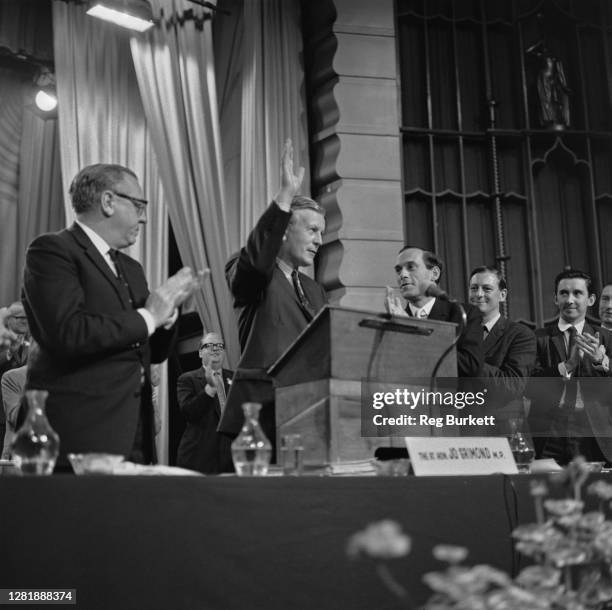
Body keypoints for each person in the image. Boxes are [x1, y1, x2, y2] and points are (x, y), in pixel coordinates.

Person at [22, 163, 203, 468]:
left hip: (136, 437)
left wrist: (167, 314)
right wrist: (149, 315)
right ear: (108, 202)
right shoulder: (52, 252)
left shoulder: (132, 269)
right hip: (80, 438)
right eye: (138, 205)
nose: (144, 217)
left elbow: (154, 352)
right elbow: (69, 332)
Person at [218, 140, 327, 443]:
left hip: (307, 415)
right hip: (260, 418)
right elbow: (256, 259)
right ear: (284, 232)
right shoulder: (249, 271)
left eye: (322, 233)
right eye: (312, 230)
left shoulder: (315, 290)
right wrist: (284, 198)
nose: (319, 240)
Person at [527, 269, 612, 465]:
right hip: (549, 430)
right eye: (564, 293)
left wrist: (601, 361)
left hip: (594, 431)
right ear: (555, 299)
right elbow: (528, 385)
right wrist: (566, 366)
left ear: (590, 299)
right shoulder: (538, 338)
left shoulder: (607, 339)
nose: (570, 299)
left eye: (577, 293)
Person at [385, 246, 483, 377]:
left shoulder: (464, 314)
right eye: (398, 270)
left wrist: (411, 330)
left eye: (411, 267)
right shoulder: (394, 320)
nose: (402, 275)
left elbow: (471, 367)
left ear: (434, 274)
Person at [468, 266, 536, 430]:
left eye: (487, 289)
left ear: (502, 295)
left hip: (501, 429)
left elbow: (512, 386)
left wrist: (467, 361)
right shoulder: (457, 331)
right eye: (474, 288)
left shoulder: (521, 334)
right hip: (459, 426)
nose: (479, 294)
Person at [176, 332, 234, 474]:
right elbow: (189, 412)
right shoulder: (187, 379)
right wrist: (210, 390)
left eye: (219, 345)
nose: (216, 349)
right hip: (199, 458)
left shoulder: (235, 378)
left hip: (230, 459)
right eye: (210, 345)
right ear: (200, 353)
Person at [0, 301, 30, 377]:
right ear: (8, 320)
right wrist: (10, 352)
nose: (25, 321)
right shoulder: (2, 339)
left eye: (28, 317)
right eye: (21, 317)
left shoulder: (34, 341)